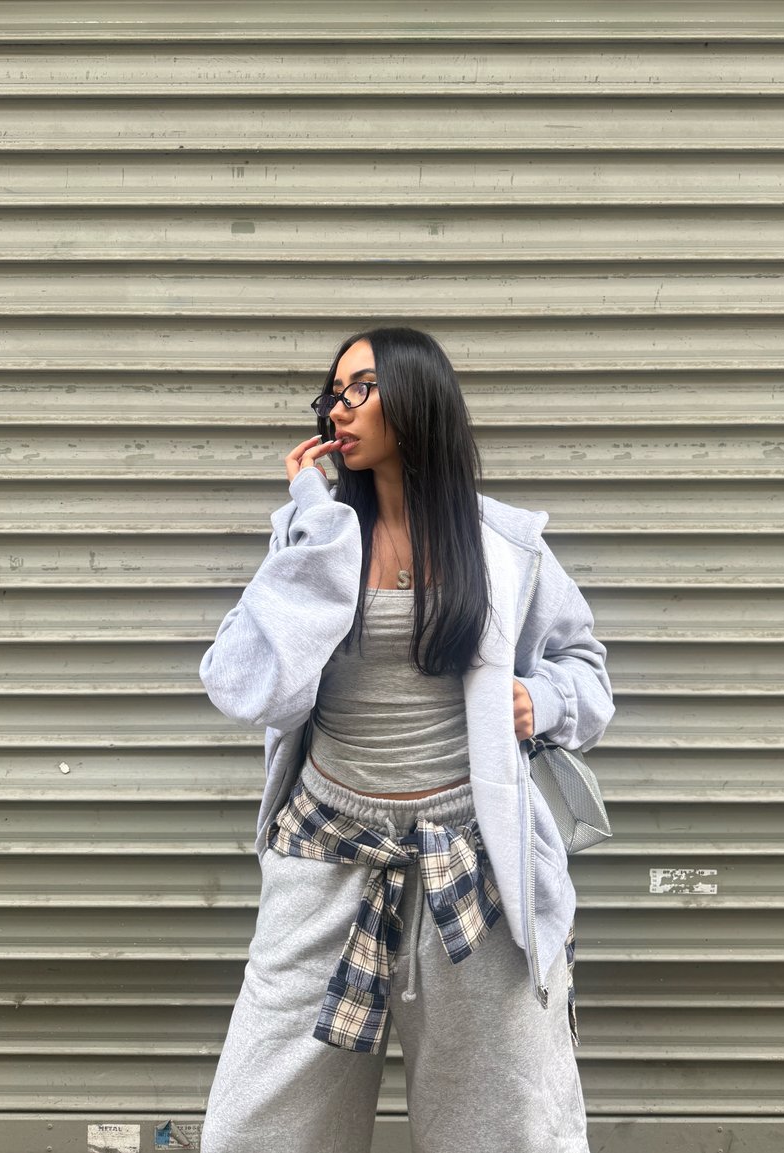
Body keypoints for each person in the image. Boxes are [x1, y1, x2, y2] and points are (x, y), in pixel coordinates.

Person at [198, 326, 614, 1153]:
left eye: (360, 388)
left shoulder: (504, 547)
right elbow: (247, 686)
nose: (338, 409)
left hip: (476, 861)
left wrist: (545, 697)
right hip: (327, 854)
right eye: (333, 393)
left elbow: (589, 672)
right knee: (261, 1121)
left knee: (504, 1121)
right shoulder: (313, 536)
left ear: (417, 398)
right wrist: (310, 526)